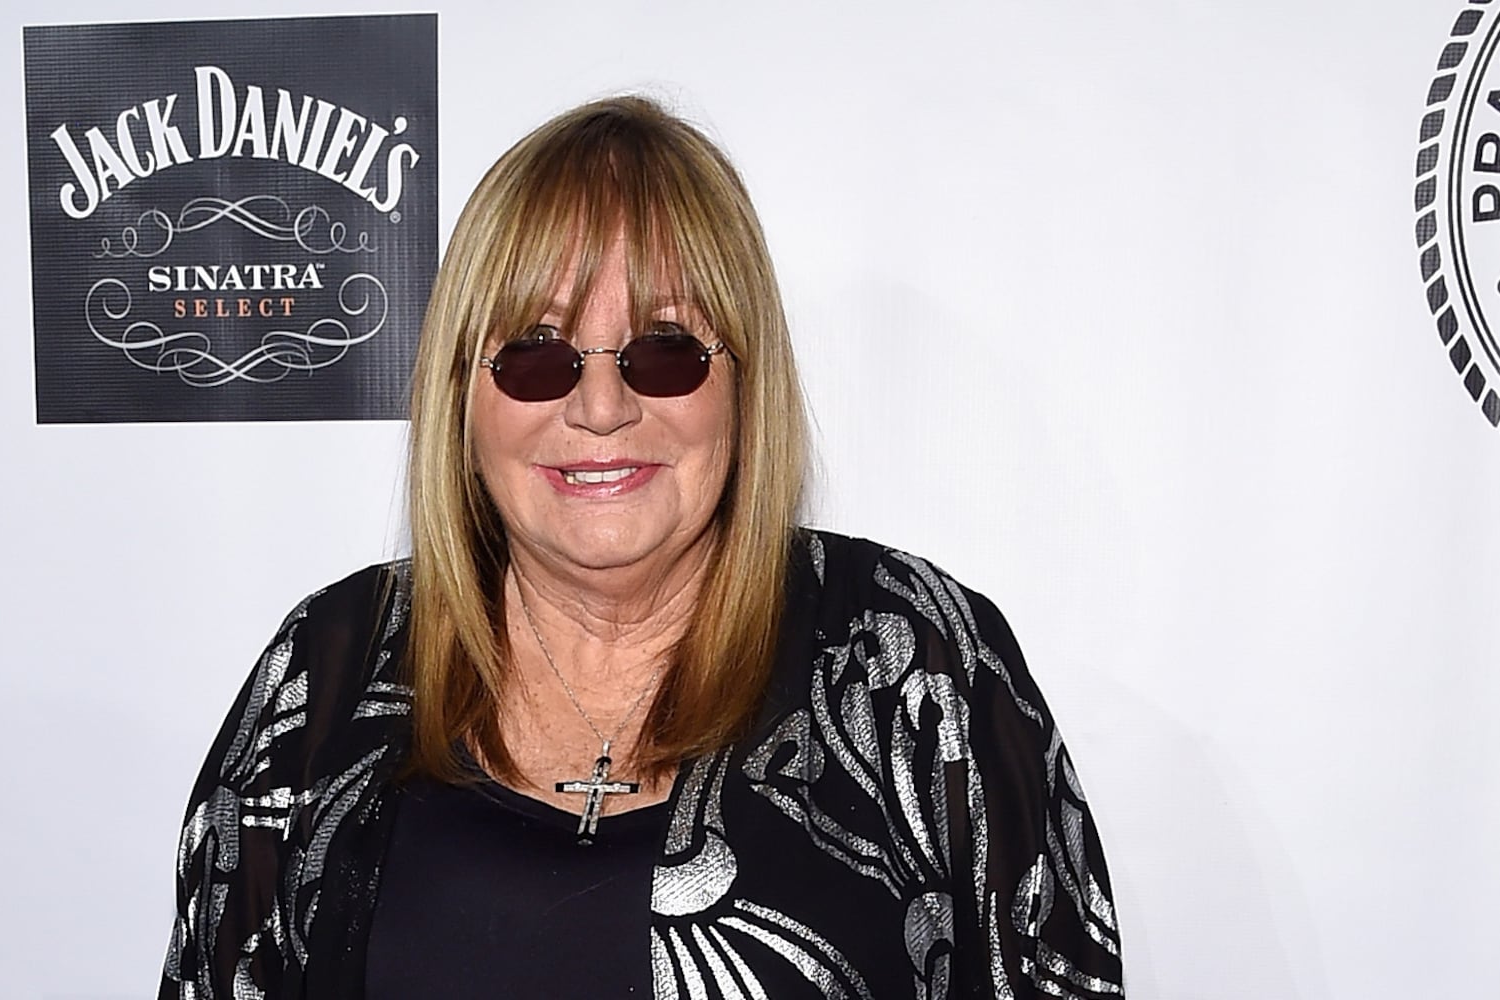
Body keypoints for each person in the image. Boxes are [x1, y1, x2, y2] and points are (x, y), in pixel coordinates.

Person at [159, 96, 1123, 1000]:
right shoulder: (328, 666)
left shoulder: (914, 661)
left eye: (666, 348)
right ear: (461, 395)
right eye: (534, 352)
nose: (600, 405)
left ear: (744, 381)